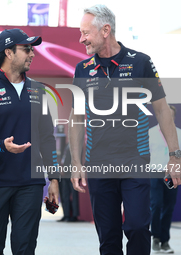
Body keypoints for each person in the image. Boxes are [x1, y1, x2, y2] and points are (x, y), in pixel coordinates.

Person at [69, 4, 181, 255]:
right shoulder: (82, 70)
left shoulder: (141, 62)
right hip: (98, 163)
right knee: (108, 237)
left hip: (135, 161)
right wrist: (76, 162)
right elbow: (76, 118)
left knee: (139, 227)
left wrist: (175, 156)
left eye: (86, 32)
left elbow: (163, 110)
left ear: (105, 30)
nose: (81, 39)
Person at [0, 28, 60, 255]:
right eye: (26, 49)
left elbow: (47, 138)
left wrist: (55, 179)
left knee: (25, 248)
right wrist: (2, 145)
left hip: (30, 182)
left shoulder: (38, 90)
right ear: (8, 53)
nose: (32, 54)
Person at [149, 105, 180, 253]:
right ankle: (155, 238)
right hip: (155, 174)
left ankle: (165, 241)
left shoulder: (179, 134)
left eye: (172, 116)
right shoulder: (150, 133)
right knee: (156, 206)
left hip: (172, 175)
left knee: (168, 208)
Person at [58, 143, 79, 222]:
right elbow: (64, 158)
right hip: (64, 175)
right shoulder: (66, 145)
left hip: (72, 173)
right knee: (65, 195)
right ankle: (66, 214)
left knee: (74, 195)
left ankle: (74, 215)